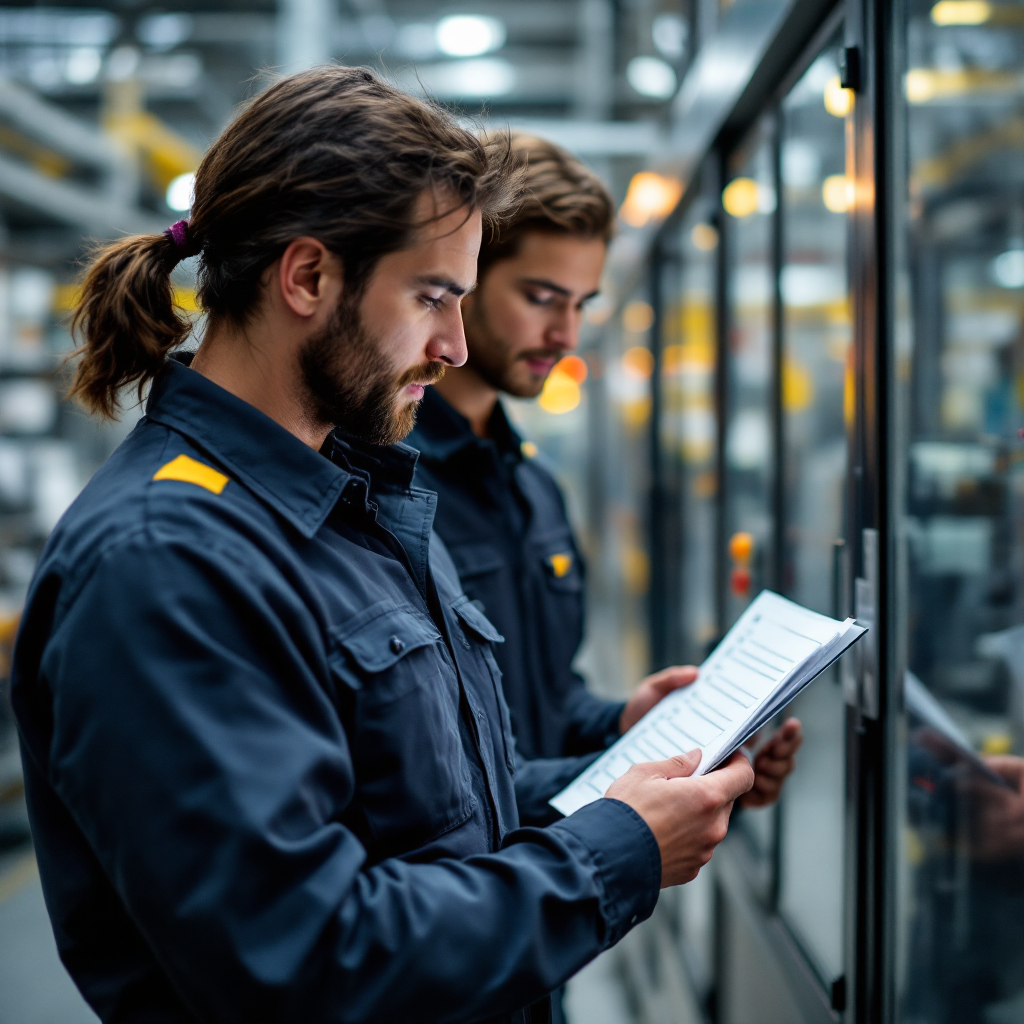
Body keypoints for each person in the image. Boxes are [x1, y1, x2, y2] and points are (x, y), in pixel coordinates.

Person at [11, 68, 755, 1024]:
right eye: (434, 297)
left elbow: (429, 816)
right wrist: (611, 857)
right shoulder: (168, 563)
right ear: (309, 277)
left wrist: (628, 783)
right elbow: (307, 958)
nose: (451, 345)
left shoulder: (353, 503)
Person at [409, 133, 803, 813]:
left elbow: (546, 708)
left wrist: (628, 726)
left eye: (582, 304)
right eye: (541, 297)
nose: (567, 334)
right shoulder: (383, 486)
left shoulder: (533, 489)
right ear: (463, 277)